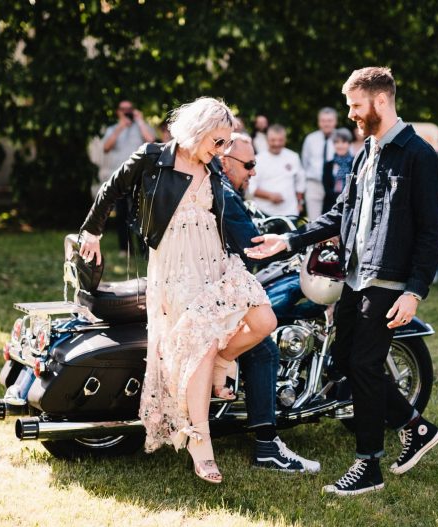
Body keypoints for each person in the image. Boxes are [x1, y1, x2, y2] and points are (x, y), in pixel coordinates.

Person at [246, 66, 438, 497]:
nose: (351, 114)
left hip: (389, 282)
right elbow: (340, 214)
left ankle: (367, 465)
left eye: (356, 106)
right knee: (343, 365)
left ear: (380, 101)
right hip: (354, 278)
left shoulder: (419, 155)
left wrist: (414, 291)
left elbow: (431, 232)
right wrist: (289, 239)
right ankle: (416, 426)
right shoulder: (365, 153)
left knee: (365, 365)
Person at [78, 97, 277, 484]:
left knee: (263, 319)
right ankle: (201, 447)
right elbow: (111, 189)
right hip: (175, 266)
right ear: (198, 131)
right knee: (198, 347)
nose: (221, 151)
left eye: (224, 144)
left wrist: (264, 242)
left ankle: (222, 362)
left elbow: (226, 217)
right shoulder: (153, 158)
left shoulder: (213, 169)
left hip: (215, 261)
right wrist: (92, 230)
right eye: (217, 141)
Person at [218, 132, 320, 472]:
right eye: (248, 165)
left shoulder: (222, 188)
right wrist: (290, 244)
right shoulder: (223, 193)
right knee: (264, 347)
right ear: (225, 162)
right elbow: (251, 243)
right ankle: (266, 446)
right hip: (222, 292)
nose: (253, 172)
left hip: (217, 286)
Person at [96, 101, 156, 254]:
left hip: (140, 177)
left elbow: (152, 142)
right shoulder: (112, 129)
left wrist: (140, 121)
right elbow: (106, 147)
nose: (126, 112)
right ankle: (125, 248)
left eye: (129, 109)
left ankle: (144, 249)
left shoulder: (142, 127)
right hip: (120, 178)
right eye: (123, 109)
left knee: (142, 213)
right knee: (122, 214)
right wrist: (120, 127)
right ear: (118, 112)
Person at [248, 124, 306, 217]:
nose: (277, 143)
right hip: (264, 213)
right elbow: (251, 187)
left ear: (285, 139)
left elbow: (300, 181)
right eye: (273, 140)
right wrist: (269, 196)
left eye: (280, 140)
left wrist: (300, 202)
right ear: (267, 140)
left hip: (290, 212)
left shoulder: (293, 157)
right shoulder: (258, 160)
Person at [301, 107, 338, 220]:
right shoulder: (310, 139)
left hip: (335, 185)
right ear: (319, 122)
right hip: (314, 184)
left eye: (329, 120)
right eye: (323, 120)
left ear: (335, 121)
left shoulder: (341, 138)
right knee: (314, 220)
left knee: (333, 219)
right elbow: (304, 162)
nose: (326, 124)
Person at [322, 127, 355, 213]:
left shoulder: (355, 163)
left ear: (349, 144)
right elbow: (326, 187)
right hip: (331, 206)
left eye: (343, 142)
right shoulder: (328, 165)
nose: (340, 146)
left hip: (351, 206)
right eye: (337, 142)